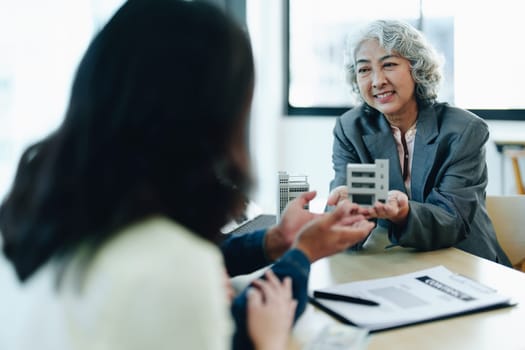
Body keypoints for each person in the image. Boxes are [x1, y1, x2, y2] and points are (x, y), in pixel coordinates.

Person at [0, 1, 375, 350]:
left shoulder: (37, 212)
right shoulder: (175, 271)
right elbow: (188, 294)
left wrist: (276, 242)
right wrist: (298, 267)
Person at [326, 19, 511, 266]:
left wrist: (404, 213)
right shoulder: (351, 129)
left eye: (389, 64)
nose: (377, 81)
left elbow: (452, 219)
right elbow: (346, 223)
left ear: (417, 68)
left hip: (463, 257)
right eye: (364, 70)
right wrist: (345, 214)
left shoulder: (464, 130)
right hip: (393, 258)